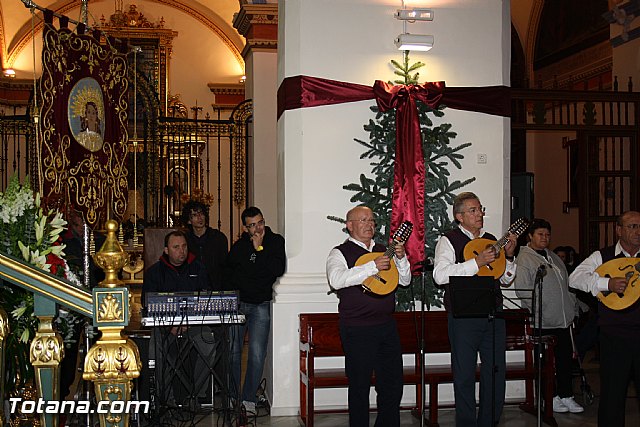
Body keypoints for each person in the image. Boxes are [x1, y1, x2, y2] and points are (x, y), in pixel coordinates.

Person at [432, 191, 517, 427]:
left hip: (493, 315)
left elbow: (506, 279)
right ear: (459, 216)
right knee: (464, 376)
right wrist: (477, 262)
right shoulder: (449, 240)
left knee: (495, 373)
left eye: (480, 209)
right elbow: (440, 275)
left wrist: (509, 257)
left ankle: (489, 421)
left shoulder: (491, 239)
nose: (479, 214)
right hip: (463, 318)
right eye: (473, 210)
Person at [326, 205, 410, 427]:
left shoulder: (384, 249)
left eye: (372, 220)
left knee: (392, 385)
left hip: (386, 326)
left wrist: (400, 259)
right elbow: (336, 279)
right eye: (363, 220)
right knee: (360, 386)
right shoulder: (340, 252)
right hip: (357, 328)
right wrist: (372, 267)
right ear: (350, 225)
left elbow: (405, 281)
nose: (369, 224)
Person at [569, 210, 640, 427]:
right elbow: (575, 279)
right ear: (619, 230)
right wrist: (605, 284)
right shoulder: (602, 256)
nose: (638, 231)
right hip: (614, 336)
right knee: (612, 395)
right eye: (632, 226)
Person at [513, 219, 583, 414]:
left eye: (547, 235)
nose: (544, 238)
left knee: (564, 361)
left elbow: (566, 284)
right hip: (542, 320)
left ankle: (566, 395)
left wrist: (571, 306)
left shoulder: (553, 257)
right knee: (544, 363)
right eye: (540, 234)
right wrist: (538, 309)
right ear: (530, 236)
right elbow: (523, 290)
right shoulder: (525, 259)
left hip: (563, 320)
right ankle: (549, 397)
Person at [142, 230, 215, 407]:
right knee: (154, 350)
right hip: (165, 326)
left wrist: (190, 321)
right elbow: (147, 304)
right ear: (166, 250)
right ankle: (164, 399)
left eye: (184, 246)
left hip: (194, 323)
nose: (181, 251)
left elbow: (206, 297)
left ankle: (196, 395)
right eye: (176, 247)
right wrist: (169, 326)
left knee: (209, 345)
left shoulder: (197, 267)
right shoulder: (154, 272)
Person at [225, 206, 286, 415]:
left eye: (260, 222)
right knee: (233, 351)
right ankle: (234, 396)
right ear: (245, 228)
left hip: (261, 303)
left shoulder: (275, 241)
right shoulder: (240, 246)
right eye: (252, 225)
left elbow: (276, 269)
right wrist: (255, 264)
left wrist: (259, 250)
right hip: (239, 303)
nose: (258, 228)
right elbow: (232, 274)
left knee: (257, 354)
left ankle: (249, 398)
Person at [181, 200, 228, 290]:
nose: (200, 218)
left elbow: (224, 265)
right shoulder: (185, 240)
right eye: (195, 215)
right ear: (189, 220)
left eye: (201, 214)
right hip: (192, 287)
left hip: (215, 287)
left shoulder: (218, 238)